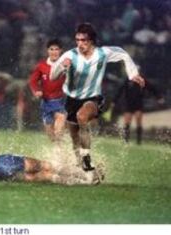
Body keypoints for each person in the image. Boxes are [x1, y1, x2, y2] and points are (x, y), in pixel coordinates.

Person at [50, 23, 145, 171]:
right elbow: (52, 76)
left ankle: (86, 158)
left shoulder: (102, 53)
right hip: (71, 100)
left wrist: (133, 74)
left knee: (82, 117)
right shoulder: (70, 55)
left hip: (93, 98)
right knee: (74, 138)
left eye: (84, 40)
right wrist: (62, 66)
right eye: (77, 40)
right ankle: (81, 166)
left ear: (92, 40)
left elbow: (122, 54)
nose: (80, 44)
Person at [0, 121, 103, 185]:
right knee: (46, 165)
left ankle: (85, 183)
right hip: (1, 162)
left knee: (44, 176)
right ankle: (87, 175)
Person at [29, 39, 66, 141]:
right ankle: (57, 148)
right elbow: (33, 81)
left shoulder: (65, 65)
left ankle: (61, 148)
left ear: (61, 51)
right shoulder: (41, 66)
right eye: (51, 49)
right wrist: (36, 91)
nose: (54, 52)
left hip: (60, 100)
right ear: (47, 51)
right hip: (46, 102)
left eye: (56, 49)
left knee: (60, 119)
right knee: (51, 135)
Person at [112, 78, 164, 144]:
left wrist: (159, 97)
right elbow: (120, 91)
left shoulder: (142, 80)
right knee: (127, 122)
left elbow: (151, 88)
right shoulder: (127, 80)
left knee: (138, 121)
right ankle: (126, 140)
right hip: (128, 104)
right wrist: (114, 101)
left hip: (138, 104)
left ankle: (138, 141)